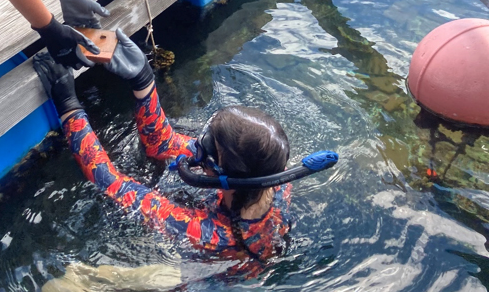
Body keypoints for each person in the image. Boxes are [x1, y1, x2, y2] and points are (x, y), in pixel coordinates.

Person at [34, 31, 338, 261]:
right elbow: (161, 145)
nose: (197, 146)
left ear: (220, 172)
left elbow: (109, 181)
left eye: (207, 144)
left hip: (211, 287)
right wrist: (143, 81)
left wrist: (69, 107)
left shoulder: (200, 231)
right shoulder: (276, 179)